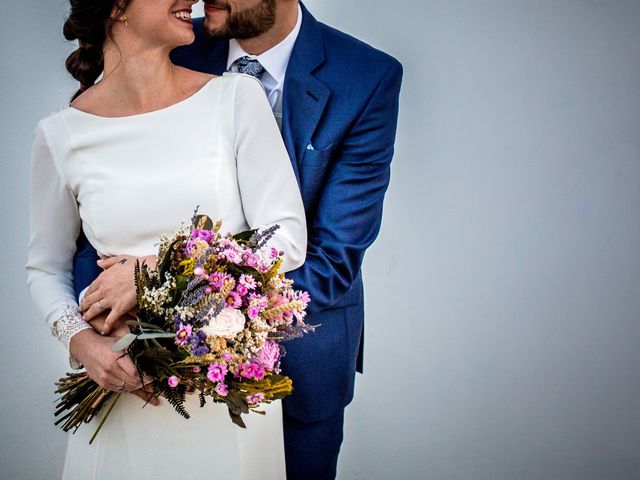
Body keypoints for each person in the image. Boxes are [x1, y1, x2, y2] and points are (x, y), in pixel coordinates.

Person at [74, 1, 403, 478]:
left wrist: (172, 305)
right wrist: (94, 330)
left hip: (299, 367)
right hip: (146, 367)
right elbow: (100, 214)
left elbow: (331, 262)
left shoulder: (366, 77)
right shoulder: (175, 46)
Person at [26, 0, 307, 478]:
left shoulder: (235, 99)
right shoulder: (60, 134)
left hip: (224, 387)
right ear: (117, 8)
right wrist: (82, 344)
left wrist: (159, 268)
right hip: (121, 384)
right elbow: (45, 268)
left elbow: (286, 238)